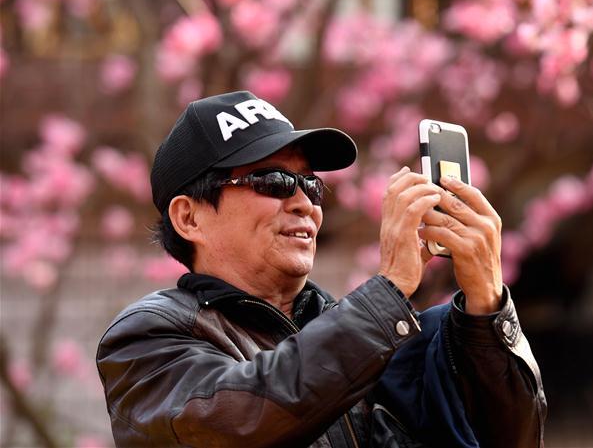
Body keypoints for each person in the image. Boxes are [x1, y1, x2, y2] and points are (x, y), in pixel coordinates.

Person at [96, 91, 546, 447]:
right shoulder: (144, 339)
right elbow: (237, 424)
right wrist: (389, 290)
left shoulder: (374, 336)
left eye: (310, 184)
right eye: (271, 182)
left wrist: (487, 308)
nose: (303, 203)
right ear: (189, 218)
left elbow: (511, 437)